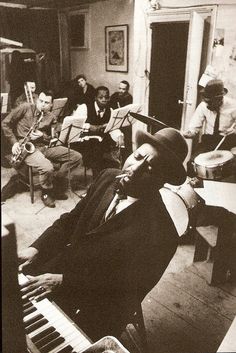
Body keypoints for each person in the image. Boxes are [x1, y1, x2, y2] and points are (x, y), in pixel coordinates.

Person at [18, 127, 188, 341]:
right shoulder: (109, 176)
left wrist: (63, 281)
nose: (134, 170)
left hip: (95, 306)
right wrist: (36, 248)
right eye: (136, 157)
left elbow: (123, 292)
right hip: (60, 270)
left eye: (150, 169)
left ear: (162, 181)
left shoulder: (163, 236)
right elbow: (70, 221)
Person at [2, 90, 83, 208]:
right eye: (41, 101)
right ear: (36, 100)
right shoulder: (25, 107)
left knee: (76, 157)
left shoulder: (51, 116)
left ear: (51, 105)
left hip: (43, 146)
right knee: (47, 168)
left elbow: (54, 138)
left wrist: (42, 136)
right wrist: (14, 143)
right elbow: (5, 123)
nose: (43, 105)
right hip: (26, 147)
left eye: (46, 102)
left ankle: (55, 183)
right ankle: (46, 192)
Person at [183, 79, 236, 177]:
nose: (207, 105)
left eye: (210, 102)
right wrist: (188, 133)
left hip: (227, 141)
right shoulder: (203, 106)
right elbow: (194, 128)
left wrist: (234, 131)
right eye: (206, 101)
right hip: (209, 140)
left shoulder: (233, 106)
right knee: (192, 163)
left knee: (227, 169)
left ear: (219, 98)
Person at [71, 86, 123, 177]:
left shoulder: (110, 110)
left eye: (106, 97)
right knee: (97, 150)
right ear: (95, 98)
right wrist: (90, 126)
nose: (104, 100)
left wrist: (119, 135)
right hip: (84, 141)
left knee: (119, 146)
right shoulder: (84, 107)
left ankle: (112, 176)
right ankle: (98, 179)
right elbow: (74, 125)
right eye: (101, 97)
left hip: (101, 141)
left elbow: (113, 127)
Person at [110, 80, 133, 161]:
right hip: (115, 120)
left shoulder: (129, 98)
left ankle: (125, 158)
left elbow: (127, 112)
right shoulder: (114, 95)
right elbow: (110, 107)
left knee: (126, 139)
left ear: (127, 90)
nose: (121, 91)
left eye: (123, 89)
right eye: (119, 88)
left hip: (125, 122)